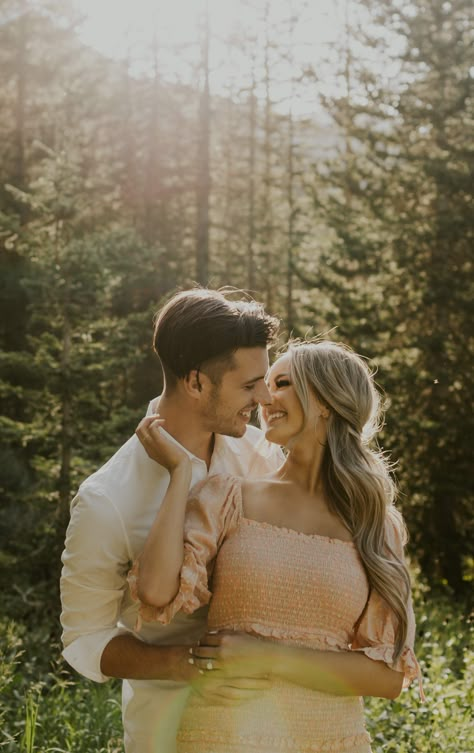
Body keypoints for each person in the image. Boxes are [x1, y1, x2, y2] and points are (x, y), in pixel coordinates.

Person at [132, 339, 424, 753]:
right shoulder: (229, 497)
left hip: (331, 740)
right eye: (263, 386)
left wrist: (267, 656)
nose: (265, 398)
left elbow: (388, 677)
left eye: (281, 383)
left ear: (325, 400)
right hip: (223, 736)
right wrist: (180, 473)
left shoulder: (375, 525)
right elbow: (155, 591)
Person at [60, 288, 284, 753]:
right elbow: (86, 639)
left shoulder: (261, 454)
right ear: (197, 382)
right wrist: (189, 665)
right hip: (170, 733)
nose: (264, 397)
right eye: (249, 385)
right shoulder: (106, 500)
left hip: (275, 724)